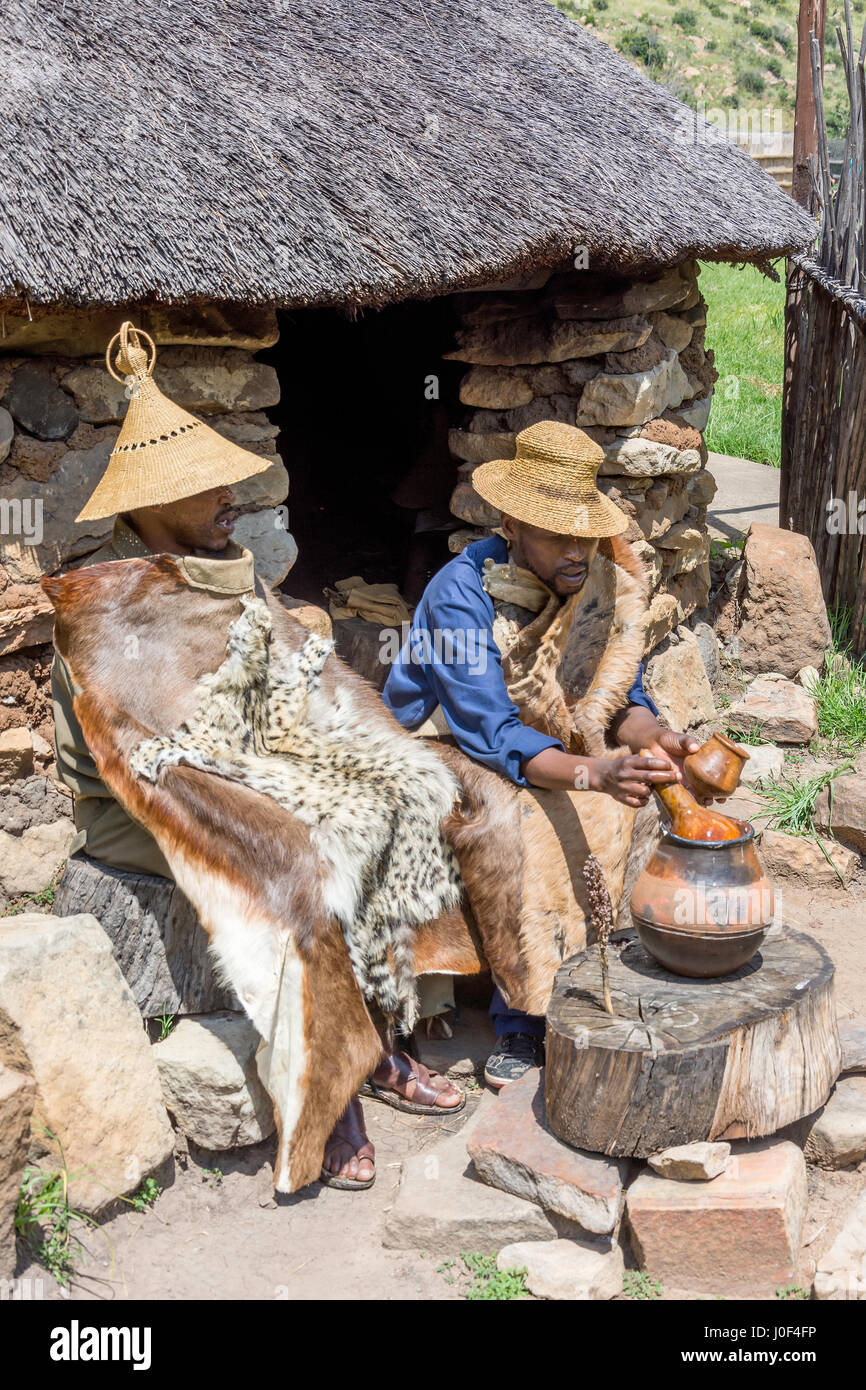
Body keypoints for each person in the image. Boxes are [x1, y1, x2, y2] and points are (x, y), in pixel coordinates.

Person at [52, 323, 462, 1194]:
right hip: (147, 812)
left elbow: (295, 688)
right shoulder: (109, 606)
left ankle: (380, 1042)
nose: (231, 495)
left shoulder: (221, 572)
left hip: (229, 775)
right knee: (302, 865)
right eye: (207, 487)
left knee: (396, 804)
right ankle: (336, 1088)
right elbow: (151, 759)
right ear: (152, 508)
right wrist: (284, 800)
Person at [383, 421, 704, 1088]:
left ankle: (616, 972)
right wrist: (599, 771)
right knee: (527, 818)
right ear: (510, 523)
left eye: (585, 533)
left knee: (666, 804)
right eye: (557, 535)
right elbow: (493, 735)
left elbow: (623, 695)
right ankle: (524, 1021)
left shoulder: (596, 586)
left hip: (555, 741)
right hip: (440, 744)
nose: (577, 550)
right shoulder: (459, 595)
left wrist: (659, 742)